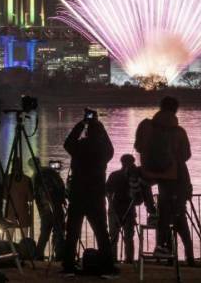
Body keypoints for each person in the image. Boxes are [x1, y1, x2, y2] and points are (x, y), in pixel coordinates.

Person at [135, 95, 194, 264]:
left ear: (160, 107)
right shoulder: (179, 131)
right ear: (176, 110)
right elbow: (185, 155)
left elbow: (138, 147)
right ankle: (187, 256)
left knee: (163, 215)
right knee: (179, 217)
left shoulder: (146, 126)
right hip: (175, 178)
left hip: (153, 176)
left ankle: (162, 245)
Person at [62, 109, 115, 275]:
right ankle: (107, 266)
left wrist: (82, 123)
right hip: (96, 195)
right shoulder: (103, 150)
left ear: (87, 131)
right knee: (101, 233)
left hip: (78, 194)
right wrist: (98, 124)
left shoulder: (78, 147)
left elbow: (67, 143)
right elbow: (110, 147)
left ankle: (68, 266)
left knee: (72, 233)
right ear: (99, 132)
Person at [106, 154, 141, 264]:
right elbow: (138, 198)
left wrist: (111, 205)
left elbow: (107, 192)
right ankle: (128, 260)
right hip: (124, 209)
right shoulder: (132, 176)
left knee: (115, 237)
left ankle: (113, 260)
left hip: (118, 209)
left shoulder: (114, 175)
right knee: (128, 237)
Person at [33, 158, 66, 261]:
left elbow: (36, 194)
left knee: (44, 233)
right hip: (56, 208)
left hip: (45, 210)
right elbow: (61, 188)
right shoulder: (52, 173)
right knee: (58, 232)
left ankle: (38, 255)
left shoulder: (36, 177)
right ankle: (59, 255)